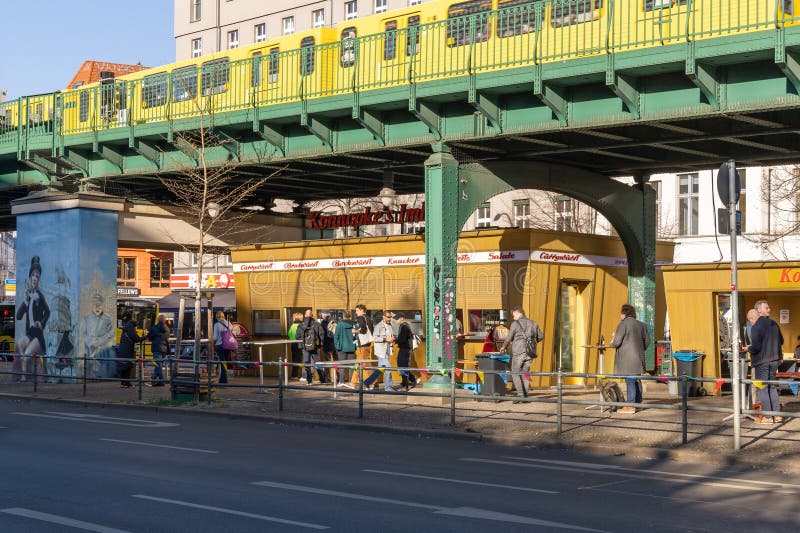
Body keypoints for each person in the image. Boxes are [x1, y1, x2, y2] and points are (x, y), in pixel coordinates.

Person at [608, 304, 651, 414]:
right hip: (639, 358)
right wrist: (640, 349)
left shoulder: (623, 324)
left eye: (621, 313)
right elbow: (647, 341)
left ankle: (631, 406)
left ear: (624, 314)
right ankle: (638, 403)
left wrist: (612, 341)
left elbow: (616, 342)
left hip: (627, 359)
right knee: (637, 380)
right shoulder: (642, 325)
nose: (620, 315)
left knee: (630, 381)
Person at [14, 256, 50, 382]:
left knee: (24, 356)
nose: (35, 278)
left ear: (38, 279)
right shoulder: (28, 295)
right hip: (29, 335)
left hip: (38, 337)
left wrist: (41, 322)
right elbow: (18, 316)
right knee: (19, 344)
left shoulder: (39, 295)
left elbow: (48, 311)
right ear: (30, 277)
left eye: (37, 276)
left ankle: (25, 377)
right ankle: (24, 374)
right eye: (33, 275)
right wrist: (25, 301)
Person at [749, 300, 785, 424]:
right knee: (772, 387)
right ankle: (777, 416)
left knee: (762, 388)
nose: (769, 309)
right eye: (767, 307)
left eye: (768, 307)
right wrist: (779, 356)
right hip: (774, 360)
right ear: (759, 310)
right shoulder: (774, 323)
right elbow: (782, 341)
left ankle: (768, 418)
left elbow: (756, 347)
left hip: (762, 362)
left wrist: (749, 348)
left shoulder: (756, 326)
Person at [499, 306, 543, 403]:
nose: (513, 316)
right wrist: (530, 339)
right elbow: (540, 337)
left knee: (515, 372)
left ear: (518, 313)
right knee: (525, 372)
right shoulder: (533, 323)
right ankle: (525, 395)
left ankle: (520, 395)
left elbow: (509, 337)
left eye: (513, 314)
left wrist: (503, 347)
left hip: (519, 351)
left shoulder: (515, 324)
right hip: (530, 352)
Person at [81, 292, 115, 379]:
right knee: (88, 367)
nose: (97, 307)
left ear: (102, 305)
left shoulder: (107, 318)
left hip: (102, 348)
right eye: (95, 304)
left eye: (99, 305)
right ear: (92, 305)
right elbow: (83, 332)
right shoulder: (86, 317)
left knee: (101, 368)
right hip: (89, 348)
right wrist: (90, 343)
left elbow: (111, 332)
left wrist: (100, 342)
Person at [363, 311, 394, 391]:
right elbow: (375, 338)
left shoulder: (390, 326)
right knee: (388, 369)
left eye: (390, 317)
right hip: (381, 351)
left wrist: (392, 339)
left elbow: (390, 336)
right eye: (388, 317)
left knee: (381, 369)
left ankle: (367, 382)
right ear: (383, 317)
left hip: (387, 350)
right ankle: (388, 387)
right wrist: (385, 339)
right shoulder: (378, 326)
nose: (389, 318)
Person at [295, 309, 324, 385]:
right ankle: (322, 379)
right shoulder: (317, 324)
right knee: (318, 363)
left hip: (305, 348)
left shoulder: (301, 325)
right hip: (315, 347)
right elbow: (322, 335)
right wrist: (320, 345)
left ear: (305, 315)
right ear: (312, 315)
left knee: (307, 363)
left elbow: (297, 336)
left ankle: (309, 381)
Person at [349, 304, 374, 388]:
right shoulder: (368, 318)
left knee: (365, 364)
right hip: (367, 343)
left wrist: (355, 331)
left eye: (357, 311)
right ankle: (354, 383)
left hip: (362, 344)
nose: (356, 313)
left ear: (361, 310)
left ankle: (372, 382)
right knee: (360, 364)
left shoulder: (361, 318)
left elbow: (363, 330)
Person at [393, 312, 418, 391]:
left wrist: (395, 340)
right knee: (402, 366)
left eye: (397, 319)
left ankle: (406, 384)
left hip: (405, 349)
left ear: (402, 318)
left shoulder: (404, 326)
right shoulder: (404, 326)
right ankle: (410, 381)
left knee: (403, 366)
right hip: (405, 349)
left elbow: (402, 339)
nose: (396, 320)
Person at [117, 315, 142, 387]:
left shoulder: (127, 328)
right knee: (127, 366)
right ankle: (126, 383)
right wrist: (145, 337)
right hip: (127, 351)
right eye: (136, 327)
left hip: (123, 350)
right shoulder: (130, 328)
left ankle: (124, 383)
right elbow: (136, 338)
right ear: (134, 325)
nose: (136, 329)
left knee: (124, 366)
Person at [334, 310, 357, 386]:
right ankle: (351, 381)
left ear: (343, 316)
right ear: (350, 316)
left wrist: (337, 346)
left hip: (342, 347)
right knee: (351, 365)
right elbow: (356, 336)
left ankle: (341, 381)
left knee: (341, 365)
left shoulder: (340, 324)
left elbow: (336, 336)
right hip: (352, 346)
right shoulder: (354, 324)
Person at [147, 314, 170, 386]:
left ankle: (161, 381)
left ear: (157, 320)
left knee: (158, 365)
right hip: (164, 349)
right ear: (165, 320)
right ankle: (154, 377)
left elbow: (149, 338)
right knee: (158, 364)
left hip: (157, 348)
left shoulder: (153, 328)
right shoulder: (167, 329)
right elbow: (166, 338)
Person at [319, 310, 337, 384]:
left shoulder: (323, 322)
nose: (322, 315)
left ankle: (328, 378)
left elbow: (322, 334)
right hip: (335, 344)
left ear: (324, 314)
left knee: (327, 362)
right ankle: (338, 378)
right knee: (337, 362)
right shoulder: (334, 321)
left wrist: (321, 342)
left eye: (322, 314)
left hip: (326, 344)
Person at [287, 312, 304, 380]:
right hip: (299, 344)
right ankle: (299, 375)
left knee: (294, 359)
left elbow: (289, 334)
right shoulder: (301, 325)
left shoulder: (292, 326)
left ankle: (294, 375)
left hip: (293, 344)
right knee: (300, 359)